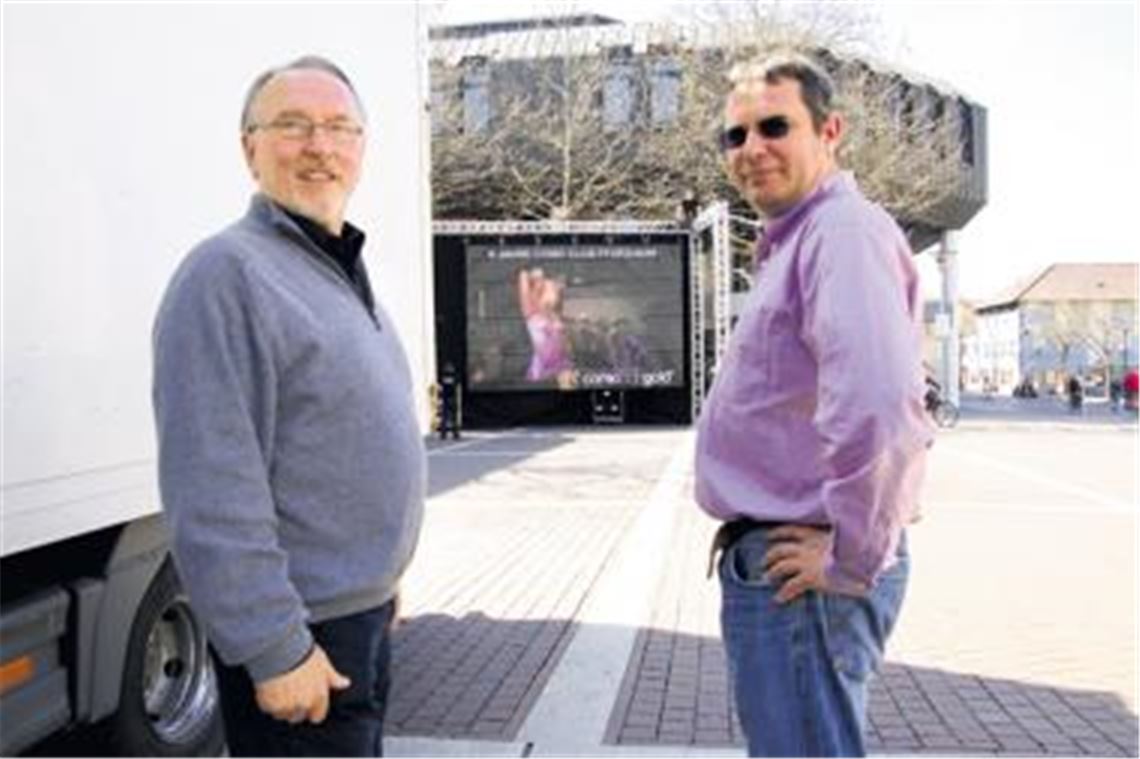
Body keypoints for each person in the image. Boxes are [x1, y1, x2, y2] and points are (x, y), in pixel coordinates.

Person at [152, 56, 425, 756]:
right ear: (250, 147)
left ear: (362, 147)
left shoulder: (338, 269)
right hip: (303, 638)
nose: (319, 145)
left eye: (339, 127)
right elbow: (212, 484)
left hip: (354, 621)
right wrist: (273, 645)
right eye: (293, 125)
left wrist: (381, 580)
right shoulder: (226, 274)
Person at [695, 53, 934, 757]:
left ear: (830, 130)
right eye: (734, 136)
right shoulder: (803, 239)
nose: (751, 149)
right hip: (789, 569)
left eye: (774, 126)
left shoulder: (841, 233)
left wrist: (852, 558)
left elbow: (881, 409)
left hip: (803, 576)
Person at [516, 267, 576, 388]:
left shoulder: (552, 292)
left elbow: (551, 310)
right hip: (538, 321)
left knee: (548, 353)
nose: (563, 287)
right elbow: (545, 308)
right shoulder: (548, 290)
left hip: (540, 323)